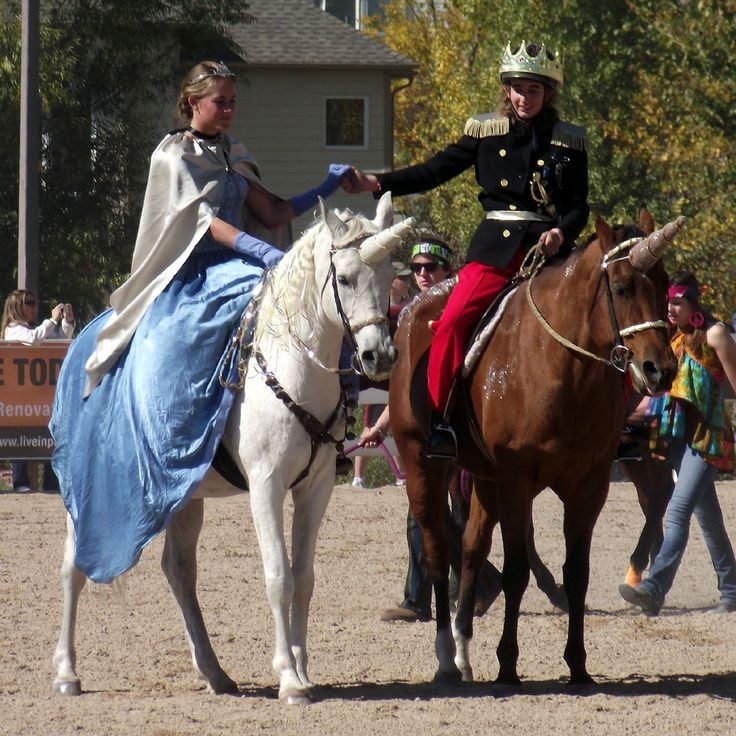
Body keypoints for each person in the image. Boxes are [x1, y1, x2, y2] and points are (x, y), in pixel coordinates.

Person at [50, 61, 351, 582]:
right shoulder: (172, 155)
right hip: (189, 273)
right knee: (189, 336)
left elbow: (276, 213)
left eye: (234, 101)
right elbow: (200, 223)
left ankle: (327, 427)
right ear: (193, 103)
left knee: (307, 310)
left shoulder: (234, 153)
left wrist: (325, 187)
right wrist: (258, 251)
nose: (230, 110)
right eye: (221, 102)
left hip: (239, 262)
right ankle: (181, 431)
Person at [344, 41, 589, 459]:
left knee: (602, 317)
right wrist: (378, 182)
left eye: (534, 90)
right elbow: (434, 170)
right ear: (506, 90)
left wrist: (561, 235)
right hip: (497, 247)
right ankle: (440, 421)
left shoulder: (569, 142)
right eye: (517, 89)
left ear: (548, 94)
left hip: (550, 251)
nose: (524, 98)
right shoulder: (485, 132)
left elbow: (579, 205)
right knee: (454, 319)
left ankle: (614, 427)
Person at [619, 271, 736, 616]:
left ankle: (654, 587)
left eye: (677, 302)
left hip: (706, 439)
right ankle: (731, 591)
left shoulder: (715, 335)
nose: (670, 307)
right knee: (709, 519)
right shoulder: (673, 337)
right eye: (668, 301)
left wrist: (700, 395)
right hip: (677, 441)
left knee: (678, 511)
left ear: (693, 303)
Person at [359, 236, 452, 621]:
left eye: (430, 267)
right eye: (416, 268)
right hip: (420, 426)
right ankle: (422, 598)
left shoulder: (456, 303)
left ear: (448, 269)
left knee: (437, 513)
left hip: (456, 423)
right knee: (423, 510)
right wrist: (383, 423)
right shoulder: (408, 314)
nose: (423, 274)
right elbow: (403, 381)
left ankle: (465, 588)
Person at [2, 289, 75, 492]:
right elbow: (34, 339)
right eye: (29, 303)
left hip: (41, 393)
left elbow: (60, 340)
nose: (34, 307)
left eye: (34, 302)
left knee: (50, 433)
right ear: (17, 307)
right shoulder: (13, 329)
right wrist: (50, 321)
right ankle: (21, 482)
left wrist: (65, 323)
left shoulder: (33, 328)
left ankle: (51, 482)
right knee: (20, 433)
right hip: (19, 394)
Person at [351, 261, 411, 489]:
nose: (406, 282)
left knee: (391, 425)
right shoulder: (376, 307)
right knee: (372, 423)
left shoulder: (409, 306)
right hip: (378, 377)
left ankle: (399, 474)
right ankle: (358, 476)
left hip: (395, 375)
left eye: (406, 278)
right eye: (401, 278)